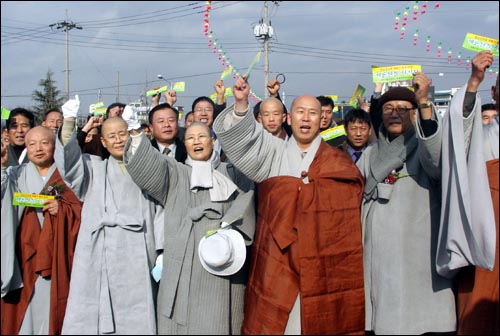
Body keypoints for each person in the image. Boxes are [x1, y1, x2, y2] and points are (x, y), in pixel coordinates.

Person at [213, 77, 365, 334]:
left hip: (323, 261)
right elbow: (244, 141)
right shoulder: (274, 151)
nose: (306, 118)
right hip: (278, 257)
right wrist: (240, 104)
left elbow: (347, 214)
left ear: (322, 119)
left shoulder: (338, 162)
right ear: (289, 118)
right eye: (300, 112)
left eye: (313, 113)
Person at [122, 118, 256, 334]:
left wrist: (229, 228)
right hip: (183, 257)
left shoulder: (230, 172)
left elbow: (246, 199)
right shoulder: (175, 172)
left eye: (202, 136)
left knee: (218, 317)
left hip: (222, 257)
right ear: (185, 145)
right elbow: (148, 167)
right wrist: (137, 135)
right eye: (191, 138)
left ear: (213, 141)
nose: (197, 141)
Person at [356, 74, 456, 334]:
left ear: (414, 114)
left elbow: (436, 161)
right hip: (377, 255)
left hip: (416, 255)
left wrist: (423, 101)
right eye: (388, 108)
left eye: (403, 109)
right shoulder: (369, 153)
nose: (394, 114)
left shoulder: (423, 149)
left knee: (416, 319)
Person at [55, 96, 163, 334]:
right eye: (111, 136)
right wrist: (70, 122)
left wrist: (162, 251)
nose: (117, 140)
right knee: (90, 311)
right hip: (97, 251)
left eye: (122, 133)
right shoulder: (93, 168)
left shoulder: (149, 169)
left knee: (136, 314)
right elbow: (69, 165)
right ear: (102, 142)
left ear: (132, 134)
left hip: (136, 250)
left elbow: (160, 211)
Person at [437, 50, 498, 335]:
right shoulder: (484, 137)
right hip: (488, 238)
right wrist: (474, 81)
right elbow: (459, 129)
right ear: (495, 93)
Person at [1, 126, 82, 335]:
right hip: (25, 253)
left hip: (58, 255)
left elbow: (82, 208)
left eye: (44, 143)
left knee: (53, 311)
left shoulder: (68, 176)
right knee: (25, 317)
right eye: (32, 144)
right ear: (25, 148)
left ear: (54, 146)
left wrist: (63, 209)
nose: (38, 149)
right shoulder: (16, 174)